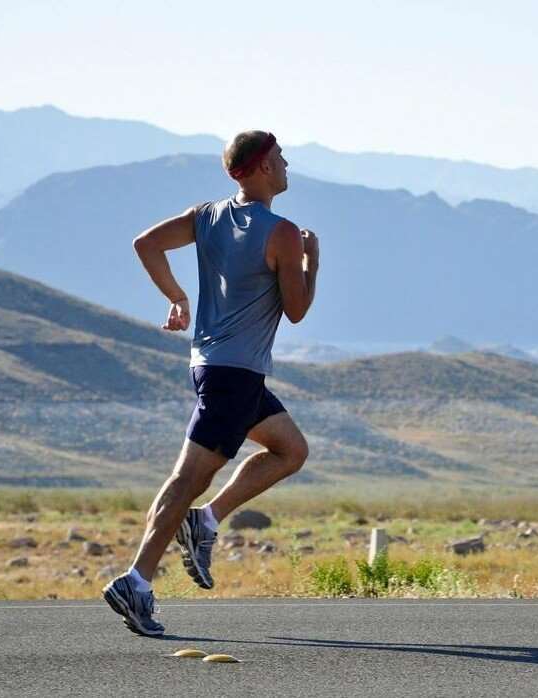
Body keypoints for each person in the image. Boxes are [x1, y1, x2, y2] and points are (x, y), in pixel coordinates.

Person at [102, 130, 319, 636]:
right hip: (235, 375)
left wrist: (177, 296)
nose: (287, 167)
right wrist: (313, 263)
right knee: (186, 479)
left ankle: (206, 520)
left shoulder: (207, 215)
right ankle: (136, 580)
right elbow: (297, 310)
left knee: (290, 450)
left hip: (215, 366)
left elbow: (146, 243)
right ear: (263, 166)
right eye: (282, 160)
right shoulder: (283, 233)